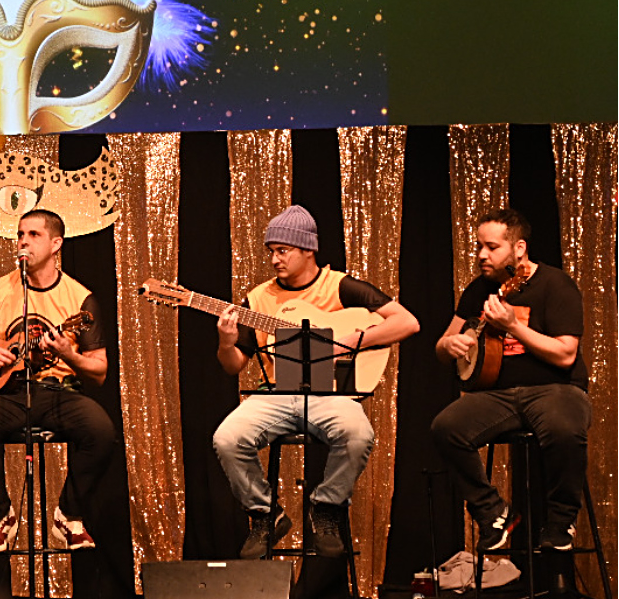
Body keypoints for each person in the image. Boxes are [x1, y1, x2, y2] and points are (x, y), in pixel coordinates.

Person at [212, 205, 418, 559]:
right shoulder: (259, 299)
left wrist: (347, 343)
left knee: (358, 435)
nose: (275, 259)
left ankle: (326, 507)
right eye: (271, 251)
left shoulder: (340, 286)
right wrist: (226, 341)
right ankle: (265, 515)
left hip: (331, 395)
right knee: (227, 439)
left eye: (283, 250)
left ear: (308, 250)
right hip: (276, 394)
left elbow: (407, 323)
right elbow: (233, 366)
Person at [0, 209, 115, 552]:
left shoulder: (79, 298)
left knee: (100, 431)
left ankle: (68, 515)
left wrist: (69, 355)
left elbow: (99, 370)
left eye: (34, 235)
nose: (23, 241)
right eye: (20, 234)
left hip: (59, 392)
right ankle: (0, 516)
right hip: (9, 393)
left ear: (56, 244)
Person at [432, 208, 589, 552]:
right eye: (478, 247)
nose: (481, 255)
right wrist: (450, 345)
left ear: (519, 248)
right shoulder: (478, 291)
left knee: (564, 429)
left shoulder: (555, 284)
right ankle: (493, 513)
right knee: (446, 427)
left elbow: (565, 354)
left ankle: (561, 522)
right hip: (498, 395)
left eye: (490, 247)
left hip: (555, 388)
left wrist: (515, 327)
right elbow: (442, 346)